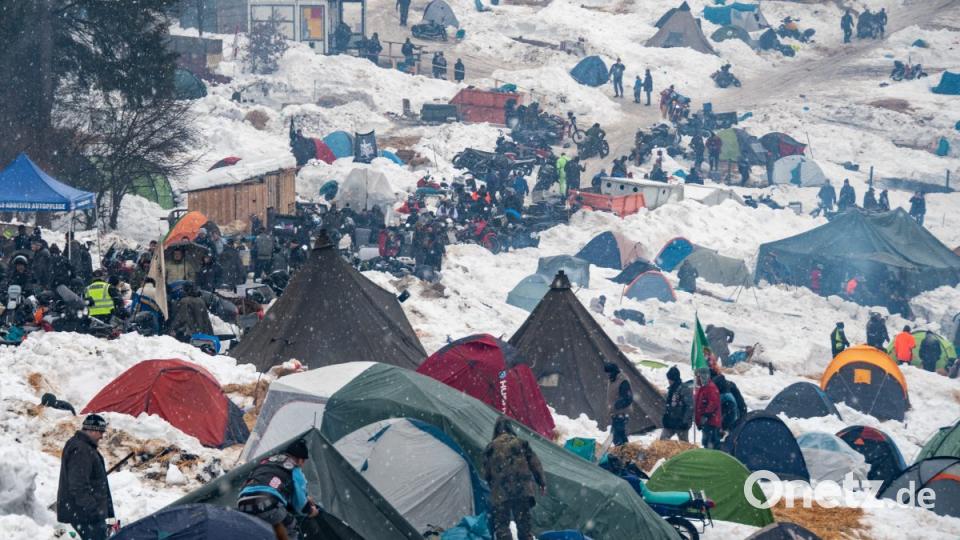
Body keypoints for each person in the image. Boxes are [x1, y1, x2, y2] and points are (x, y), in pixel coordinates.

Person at [238, 438, 319, 540]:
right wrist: (310, 511)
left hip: (243, 501)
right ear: (299, 460)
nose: (303, 465)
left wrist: (306, 496)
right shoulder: (295, 469)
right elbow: (300, 504)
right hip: (266, 502)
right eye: (303, 461)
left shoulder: (267, 461)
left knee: (257, 531)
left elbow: (271, 484)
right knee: (291, 528)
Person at [483, 418, 547, 540]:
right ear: (510, 428)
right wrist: (542, 482)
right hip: (522, 490)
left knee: (502, 527)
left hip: (501, 493)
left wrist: (494, 485)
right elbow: (535, 464)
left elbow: (486, 474)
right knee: (524, 527)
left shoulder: (490, 448)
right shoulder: (521, 443)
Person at [57, 414, 114, 540]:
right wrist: (94, 512)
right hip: (85, 517)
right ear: (92, 430)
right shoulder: (81, 450)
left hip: (85, 516)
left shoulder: (85, 447)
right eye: (101, 432)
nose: (102, 436)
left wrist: (108, 514)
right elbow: (78, 486)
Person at [604, 362, 633, 447]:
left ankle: (620, 453)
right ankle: (626, 452)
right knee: (621, 435)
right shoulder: (613, 379)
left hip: (622, 413)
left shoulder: (623, 381)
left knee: (616, 436)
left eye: (609, 373)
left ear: (614, 372)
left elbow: (628, 399)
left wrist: (616, 405)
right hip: (616, 413)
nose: (608, 375)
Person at [660, 366, 692, 442]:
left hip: (681, 421)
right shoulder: (671, 389)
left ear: (674, 379)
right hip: (671, 421)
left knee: (684, 443)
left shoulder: (684, 389)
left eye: (670, 379)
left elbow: (690, 406)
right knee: (662, 440)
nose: (669, 381)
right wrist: (666, 416)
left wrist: (685, 420)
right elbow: (669, 404)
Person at [694, 368, 721, 449]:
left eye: (697, 377)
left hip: (711, 422)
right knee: (706, 442)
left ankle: (712, 460)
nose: (696, 379)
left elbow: (713, 403)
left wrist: (705, 416)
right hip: (706, 423)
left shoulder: (711, 388)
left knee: (710, 443)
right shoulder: (703, 388)